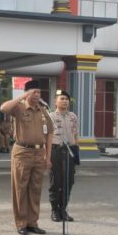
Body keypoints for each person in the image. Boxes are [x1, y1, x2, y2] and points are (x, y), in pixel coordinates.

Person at [0, 80, 53, 235]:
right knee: (20, 189)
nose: (37, 95)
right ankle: (21, 223)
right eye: (33, 92)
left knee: (35, 189)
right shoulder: (19, 107)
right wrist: (22, 96)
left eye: (39, 92)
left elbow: (49, 133)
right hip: (23, 152)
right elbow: (3, 108)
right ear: (27, 92)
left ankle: (32, 222)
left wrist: (48, 157)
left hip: (39, 153)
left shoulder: (43, 110)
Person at [48, 90, 79, 222]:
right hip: (56, 150)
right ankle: (55, 210)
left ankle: (63, 209)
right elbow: (47, 137)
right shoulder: (50, 116)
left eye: (66, 98)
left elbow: (75, 135)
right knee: (56, 181)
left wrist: (77, 150)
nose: (65, 101)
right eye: (62, 98)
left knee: (69, 181)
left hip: (70, 151)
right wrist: (47, 156)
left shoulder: (73, 116)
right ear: (55, 101)